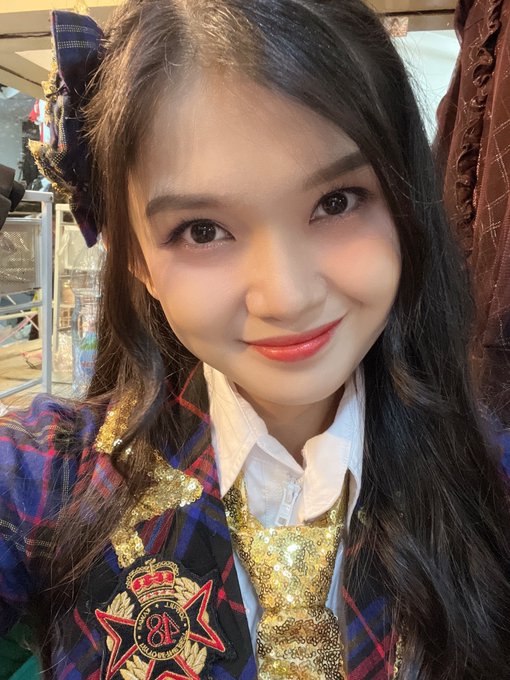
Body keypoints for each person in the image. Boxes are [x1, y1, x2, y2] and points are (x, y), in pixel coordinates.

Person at [0, 1, 509, 679]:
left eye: (336, 202)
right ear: (137, 259)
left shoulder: (488, 484)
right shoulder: (49, 482)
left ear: (404, 197)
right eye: (203, 230)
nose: (286, 296)